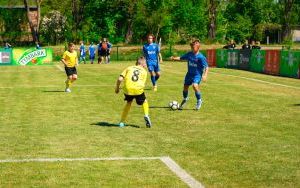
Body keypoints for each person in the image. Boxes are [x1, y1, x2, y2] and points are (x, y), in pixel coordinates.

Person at [170, 39, 209, 110]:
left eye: (194, 46)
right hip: (189, 74)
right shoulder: (189, 54)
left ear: (198, 47)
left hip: (197, 75)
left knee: (195, 85)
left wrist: (205, 75)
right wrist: (174, 58)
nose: (192, 48)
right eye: (192, 46)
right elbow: (181, 58)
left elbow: (206, 67)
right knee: (185, 87)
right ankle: (185, 99)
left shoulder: (201, 57)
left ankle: (199, 100)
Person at [115, 56, 151, 128]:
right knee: (144, 101)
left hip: (127, 89)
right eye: (146, 64)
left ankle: (122, 122)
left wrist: (117, 88)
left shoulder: (129, 68)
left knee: (128, 103)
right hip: (138, 89)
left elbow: (120, 79)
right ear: (143, 64)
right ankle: (146, 115)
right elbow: (142, 84)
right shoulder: (144, 71)